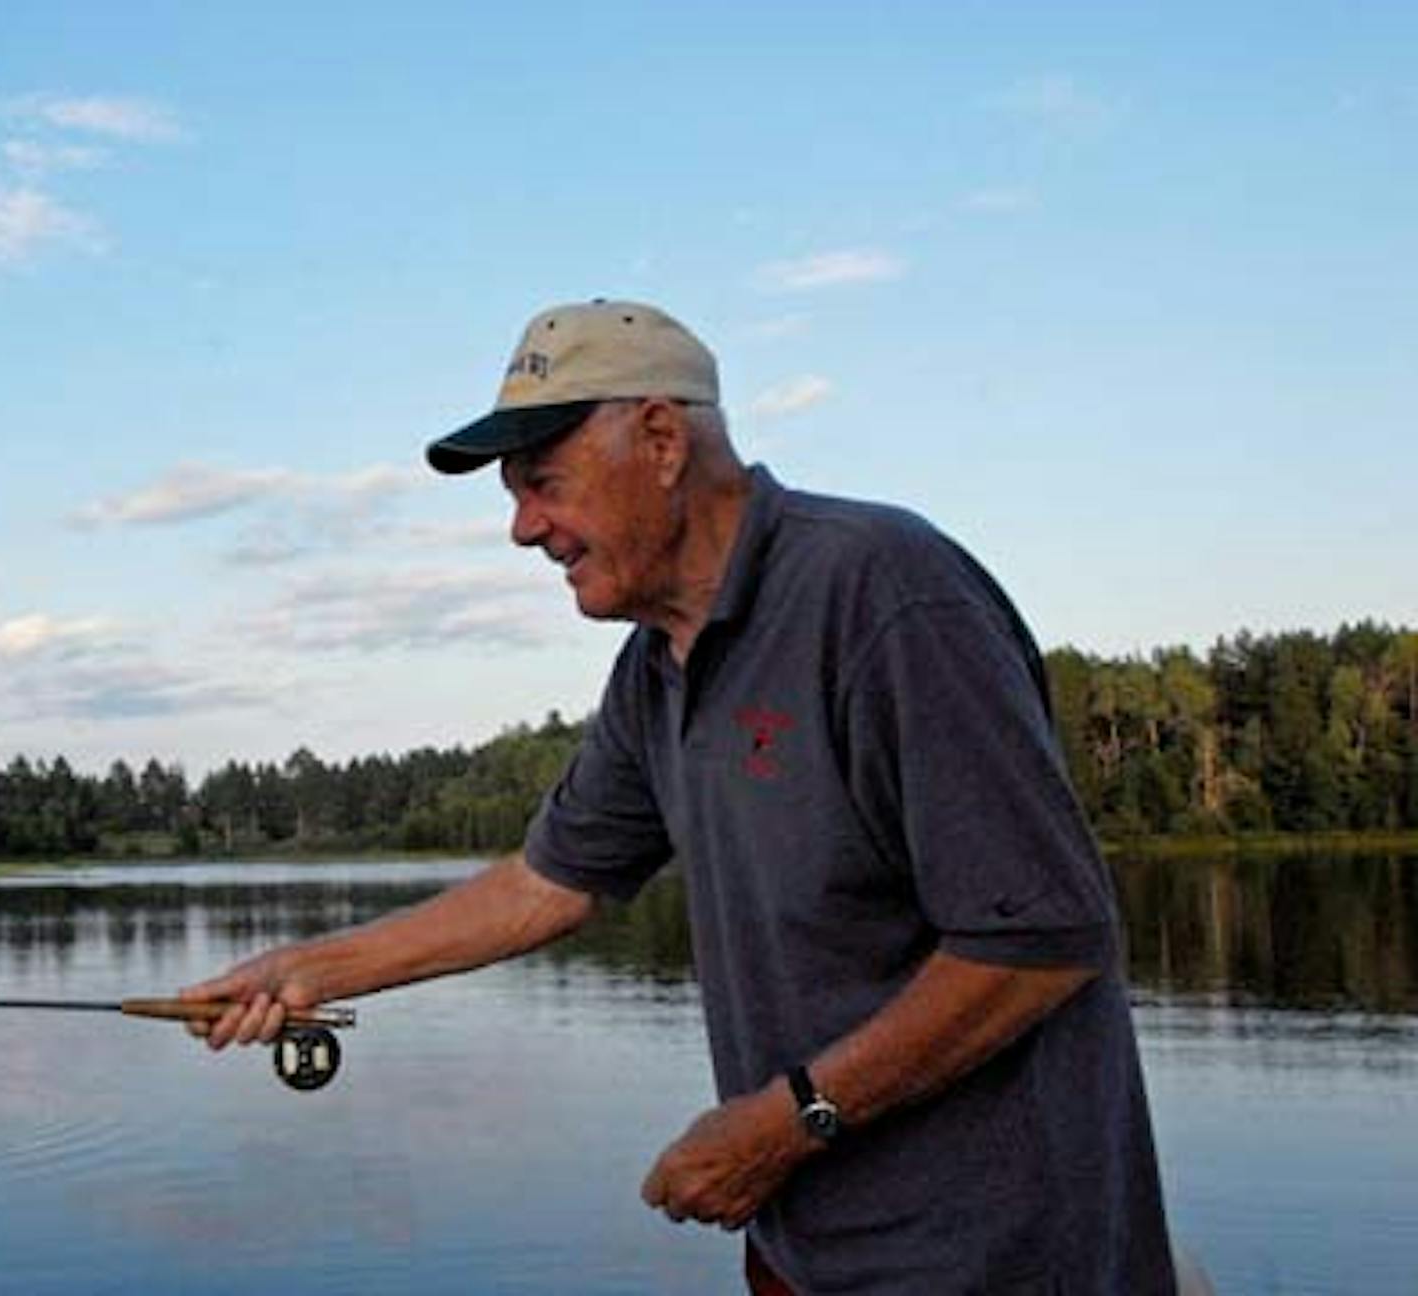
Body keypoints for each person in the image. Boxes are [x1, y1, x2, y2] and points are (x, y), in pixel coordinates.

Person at [183, 300, 1179, 1294]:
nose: (524, 528)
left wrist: (789, 1122)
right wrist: (310, 971)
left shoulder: (884, 593)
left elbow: (1042, 940)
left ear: (659, 439)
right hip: (808, 1254)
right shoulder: (656, 668)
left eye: (543, 484)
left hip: (994, 1261)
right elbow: (545, 883)